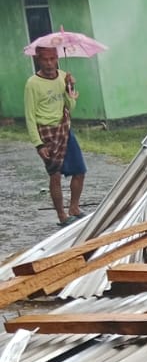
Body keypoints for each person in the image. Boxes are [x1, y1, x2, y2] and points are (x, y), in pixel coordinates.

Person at [24, 45, 88, 226]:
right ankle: (62, 215)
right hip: (47, 133)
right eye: (45, 59)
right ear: (38, 59)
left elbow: (71, 107)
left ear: (57, 58)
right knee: (55, 175)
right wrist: (38, 144)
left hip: (64, 128)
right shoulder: (32, 84)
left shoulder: (62, 76)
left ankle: (74, 207)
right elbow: (29, 116)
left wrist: (70, 86)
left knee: (80, 171)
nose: (50, 63)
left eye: (53, 59)